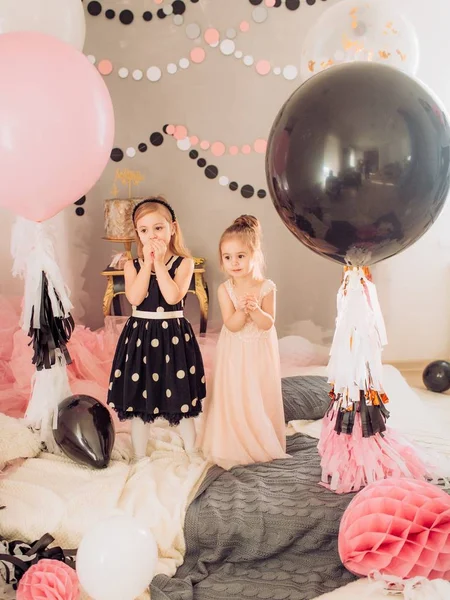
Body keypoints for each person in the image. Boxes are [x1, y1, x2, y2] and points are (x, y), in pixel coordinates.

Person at [107, 197, 206, 458]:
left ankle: (191, 451)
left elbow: (173, 296)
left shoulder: (184, 263)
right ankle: (140, 455)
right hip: (141, 337)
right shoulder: (132, 266)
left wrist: (160, 263)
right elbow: (135, 298)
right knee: (140, 398)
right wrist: (148, 264)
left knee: (181, 395)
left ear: (172, 228)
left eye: (158, 228)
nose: (152, 236)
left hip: (173, 336)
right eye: (144, 230)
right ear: (138, 234)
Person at [197, 215, 288, 469]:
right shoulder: (225, 289)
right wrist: (243, 311)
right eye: (227, 257)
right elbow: (231, 324)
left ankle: (261, 435)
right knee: (236, 391)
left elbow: (268, 323)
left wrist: (256, 310)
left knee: (258, 392)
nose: (233, 263)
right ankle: (234, 439)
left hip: (259, 351)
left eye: (240, 256)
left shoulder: (266, 287)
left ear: (254, 255)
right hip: (235, 351)